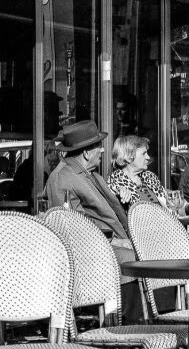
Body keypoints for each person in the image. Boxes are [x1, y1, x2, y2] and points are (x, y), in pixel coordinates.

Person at [44, 120, 145, 323]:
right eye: (98, 146)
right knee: (131, 259)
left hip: (112, 243)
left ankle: (154, 326)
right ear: (86, 153)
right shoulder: (62, 178)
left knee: (153, 253)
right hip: (92, 252)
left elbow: (103, 212)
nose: (102, 150)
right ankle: (125, 334)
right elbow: (71, 228)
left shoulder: (91, 175)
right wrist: (114, 241)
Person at [107, 135, 167, 210]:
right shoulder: (116, 184)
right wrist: (120, 194)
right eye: (143, 153)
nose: (148, 157)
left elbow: (167, 204)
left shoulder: (150, 177)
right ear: (128, 157)